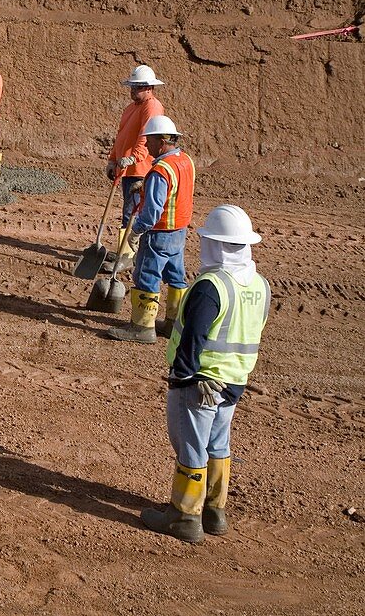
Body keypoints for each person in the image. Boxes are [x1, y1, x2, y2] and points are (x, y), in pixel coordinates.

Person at [141, 205, 270, 544]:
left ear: (215, 244)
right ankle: (215, 510)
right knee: (217, 444)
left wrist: (181, 377)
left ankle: (184, 516)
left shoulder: (211, 285)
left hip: (200, 382)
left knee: (191, 448)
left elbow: (194, 336)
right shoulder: (259, 284)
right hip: (234, 382)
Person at [107, 115, 195, 344]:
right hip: (179, 231)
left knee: (146, 275)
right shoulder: (185, 161)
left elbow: (152, 211)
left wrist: (136, 231)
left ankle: (142, 328)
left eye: (150, 140)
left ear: (162, 141)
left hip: (159, 232)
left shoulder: (160, 170)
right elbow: (174, 193)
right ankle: (174, 323)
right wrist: (145, 185)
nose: (146, 145)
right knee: (176, 276)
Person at [106, 65, 165, 272]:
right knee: (127, 211)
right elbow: (121, 135)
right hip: (126, 168)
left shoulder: (152, 106)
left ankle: (128, 256)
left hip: (139, 169)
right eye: (132, 87)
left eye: (137, 87)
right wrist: (113, 159)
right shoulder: (131, 108)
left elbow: (146, 136)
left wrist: (133, 158)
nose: (133, 91)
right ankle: (124, 252)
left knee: (131, 213)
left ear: (149, 88)